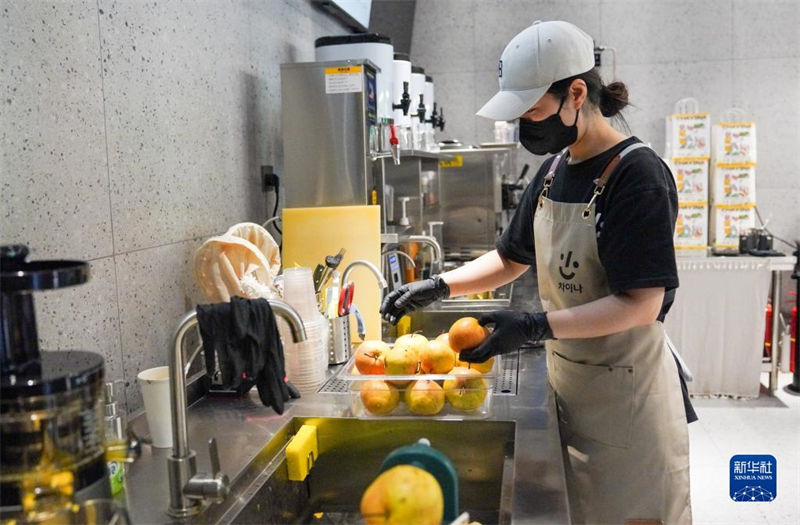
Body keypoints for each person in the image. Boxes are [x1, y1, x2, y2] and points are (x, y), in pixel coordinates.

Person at [381, 20, 694, 524]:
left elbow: (642, 304)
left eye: (533, 110)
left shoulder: (637, 175)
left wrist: (532, 327)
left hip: (629, 404)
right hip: (570, 390)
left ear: (576, 93)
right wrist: (439, 286)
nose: (528, 125)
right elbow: (510, 259)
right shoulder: (553, 172)